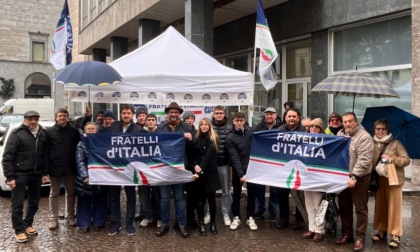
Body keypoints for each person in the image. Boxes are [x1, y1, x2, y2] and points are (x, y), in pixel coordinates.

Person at [2, 110, 49, 243]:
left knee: (34, 202)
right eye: (30, 119)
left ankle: (28, 224)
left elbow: (44, 155)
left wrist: (44, 173)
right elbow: (7, 156)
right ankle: (19, 230)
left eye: (35, 119)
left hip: (36, 174)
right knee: (17, 204)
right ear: (25, 120)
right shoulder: (17, 134)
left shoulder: (42, 133)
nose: (33, 122)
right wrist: (9, 177)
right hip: (20, 174)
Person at [335, 112, 374, 252]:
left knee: (360, 209)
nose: (347, 124)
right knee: (344, 206)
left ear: (356, 122)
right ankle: (347, 234)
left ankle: (360, 238)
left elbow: (364, 160)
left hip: (359, 178)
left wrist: (354, 176)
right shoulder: (340, 134)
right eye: (344, 122)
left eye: (350, 121)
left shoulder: (365, 137)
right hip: (343, 177)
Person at [371, 119, 410, 249]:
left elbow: (406, 160)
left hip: (393, 180)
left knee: (394, 208)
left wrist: (392, 158)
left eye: (383, 129)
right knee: (380, 206)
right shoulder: (372, 142)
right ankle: (382, 231)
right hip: (379, 179)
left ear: (388, 130)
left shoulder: (396, 143)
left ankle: (395, 234)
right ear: (374, 130)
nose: (380, 131)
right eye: (378, 129)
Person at [156, 102, 193, 238]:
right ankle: (165, 223)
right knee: (165, 198)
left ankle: (182, 223)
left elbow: (193, 148)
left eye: (176, 112)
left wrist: (190, 139)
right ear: (167, 113)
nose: (173, 114)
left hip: (180, 168)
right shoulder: (160, 128)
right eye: (171, 112)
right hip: (164, 169)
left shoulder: (187, 127)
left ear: (179, 114)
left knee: (179, 197)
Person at [108, 104, 142, 236]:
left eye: (128, 113)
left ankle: (129, 223)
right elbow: (105, 141)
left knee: (131, 196)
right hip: (114, 167)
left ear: (132, 115)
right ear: (120, 114)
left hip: (130, 168)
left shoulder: (138, 129)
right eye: (124, 113)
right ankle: (116, 223)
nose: (126, 115)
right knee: (114, 197)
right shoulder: (114, 126)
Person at [46, 108, 80, 230]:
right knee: (54, 193)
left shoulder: (74, 131)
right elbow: (45, 150)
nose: (62, 118)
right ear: (56, 117)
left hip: (70, 166)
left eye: (64, 116)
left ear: (67, 117)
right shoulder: (49, 131)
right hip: (54, 166)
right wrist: (46, 168)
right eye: (60, 116)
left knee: (70, 192)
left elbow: (78, 147)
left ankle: (71, 216)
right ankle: (53, 218)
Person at [276, 108, 307, 230]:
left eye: (294, 116)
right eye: (289, 116)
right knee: (282, 196)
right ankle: (283, 220)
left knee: (299, 196)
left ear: (298, 118)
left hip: (299, 169)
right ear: (285, 118)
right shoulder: (278, 131)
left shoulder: (305, 132)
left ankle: (300, 220)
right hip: (283, 169)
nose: (291, 119)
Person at [227, 112, 257, 231]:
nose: (239, 123)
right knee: (236, 194)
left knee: (252, 194)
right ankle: (236, 216)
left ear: (244, 121)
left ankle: (250, 216)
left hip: (251, 169)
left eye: (241, 120)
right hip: (238, 170)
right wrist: (241, 174)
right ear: (233, 121)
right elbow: (234, 157)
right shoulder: (230, 137)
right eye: (237, 120)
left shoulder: (251, 133)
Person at [75, 122, 107, 233]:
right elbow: (80, 161)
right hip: (85, 177)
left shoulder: (102, 143)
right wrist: (85, 176)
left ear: (97, 130)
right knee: (84, 200)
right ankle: (84, 223)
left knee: (100, 200)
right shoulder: (81, 144)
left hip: (100, 176)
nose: (91, 130)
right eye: (88, 129)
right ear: (85, 131)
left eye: (93, 129)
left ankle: (99, 222)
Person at [192, 117, 221, 235]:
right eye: (202, 125)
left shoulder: (214, 138)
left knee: (211, 200)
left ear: (209, 126)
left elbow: (209, 157)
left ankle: (213, 223)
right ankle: (201, 223)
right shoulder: (196, 138)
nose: (204, 126)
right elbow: (193, 155)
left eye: (206, 125)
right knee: (200, 200)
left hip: (210, 173)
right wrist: (195, 165)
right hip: (198, 172)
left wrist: (198, 171)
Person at [254, 107, 282, 222]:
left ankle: (273, 211)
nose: (269, 116)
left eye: (271, 114)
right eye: (267, 114)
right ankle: (260, 208)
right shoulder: (259, 127)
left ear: (276, 115)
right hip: (262, 161)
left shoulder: (281, 127)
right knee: (259, 187)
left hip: (276, 162)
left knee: (274, 189)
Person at [302, 118, 326, 242]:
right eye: (311, 127)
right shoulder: (304, 139)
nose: (313, 129)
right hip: (307, 177)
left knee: (318, 205)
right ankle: (311, 228)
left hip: (318, 178)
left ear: (321, 129)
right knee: (309, 204)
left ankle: (319, 230)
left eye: (316, 127)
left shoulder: (327, 141)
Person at [138, 114, 162, 228]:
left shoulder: (162, 134)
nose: (151, 122)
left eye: (153, 120)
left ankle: (158, 217)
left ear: (156, 122)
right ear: (146, 122)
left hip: (157, 170)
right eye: (149, 120)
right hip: (143, 169)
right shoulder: (139, 134)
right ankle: (147, 216)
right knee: (144, 194)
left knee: (157, 195)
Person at [211, 105, 233, 226]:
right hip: (211, 165)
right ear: (214, 114)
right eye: (217, 113)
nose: (219, 115)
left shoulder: (230, 127)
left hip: (224, 164)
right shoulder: (209, 126)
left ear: (224, 114)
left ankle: (225, 213)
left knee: (226, 191)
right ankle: (208, 213)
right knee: (209, 191)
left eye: (221, 113)